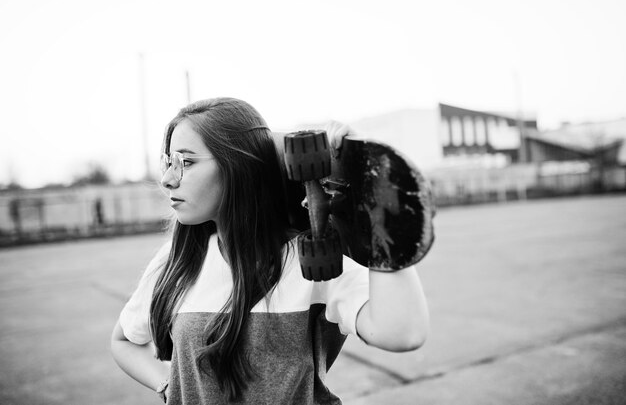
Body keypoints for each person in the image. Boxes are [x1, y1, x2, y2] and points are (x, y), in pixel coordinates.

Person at [110, 97, 430, 404]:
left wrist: (373, 199)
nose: (167, 179)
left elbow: (403, 333)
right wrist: (170, 385)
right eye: (169, 161)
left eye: (186, 162)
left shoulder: (313, 261)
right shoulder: (175, 260)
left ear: (239, 166)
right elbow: (124, 341)